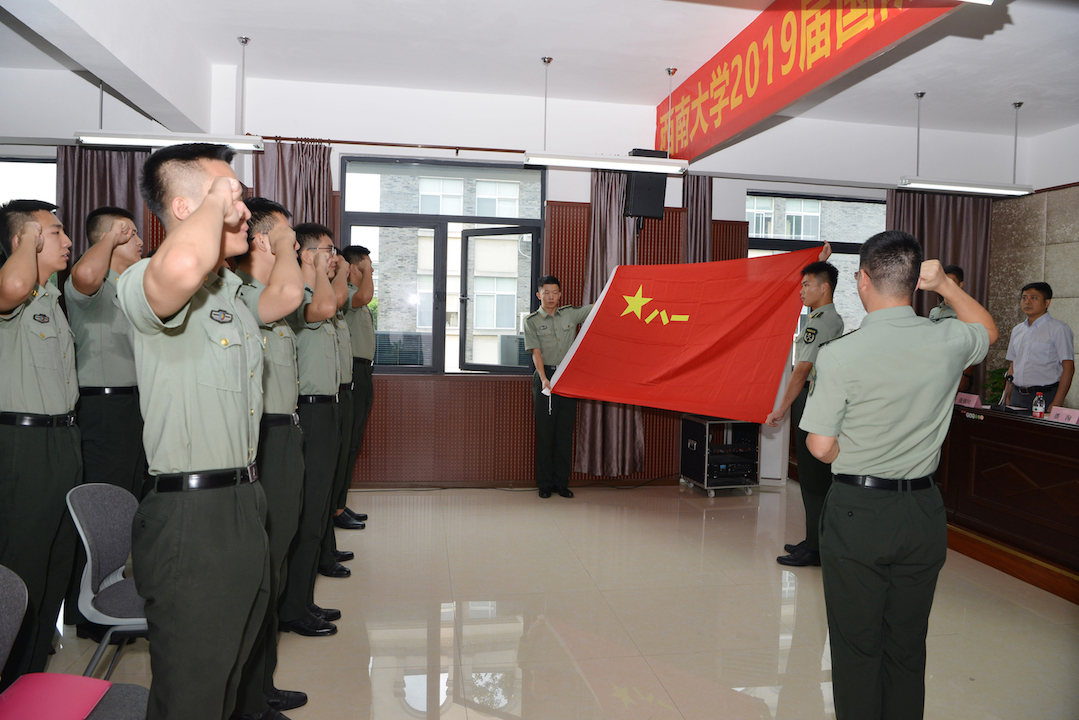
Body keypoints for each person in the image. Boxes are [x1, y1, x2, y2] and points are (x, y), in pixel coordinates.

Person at [800, 230, 998, 720]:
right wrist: (946, 287)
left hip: (859, 510)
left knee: (856, 644)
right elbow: (989, 331)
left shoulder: (841, 352)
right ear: (915, 282)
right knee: (908, 643)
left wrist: (855, 449)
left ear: (863, 280)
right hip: (922, 511)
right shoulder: (947, 339)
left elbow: (820, 447)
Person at [116, 143, 270, 720]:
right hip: (191, 516)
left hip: (243, 500)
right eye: (228, 193)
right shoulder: (145, 278)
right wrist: (216, 202)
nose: (243, 208)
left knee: (225, 683)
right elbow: (181, 267)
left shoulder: (229, 294)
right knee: (192, 697)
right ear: (185, 208)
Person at [233, 197, 310, 719]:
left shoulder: (265, 300)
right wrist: (287, 248)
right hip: (258, 439)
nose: (294, 244)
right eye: (285, 235)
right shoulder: (240, 297)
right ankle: (250, 698)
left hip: (282, 434)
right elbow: (290, 293)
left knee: (276, 562)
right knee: (260, 571)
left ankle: (262, 686)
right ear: (262, 240)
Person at [0, 200, 79, 690]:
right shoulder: (13, 290)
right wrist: (27, 237)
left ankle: (30, 679)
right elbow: (11, 286)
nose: (68, 241)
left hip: (63, 437)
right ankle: (8, 681)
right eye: (55, 232)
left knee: (57, 560)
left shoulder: (50, 297)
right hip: (23, 442)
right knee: (24, 562)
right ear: (22, 241)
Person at [62, 206, 147, 632]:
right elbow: (85, 275)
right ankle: (85, 612)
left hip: (134, 406)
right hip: (103, 408)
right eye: (131, 233)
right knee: (101, 509)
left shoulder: (133, 286)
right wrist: (110, 236)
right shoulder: (90, 284)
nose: (140, 241)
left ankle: (112, 597)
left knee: (127, 506)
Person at [278, 222, 345, 637]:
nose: (333, 257)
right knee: (306, 512)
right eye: (326, 250)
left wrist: (324, 268)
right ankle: (292, 608)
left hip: (328, 407)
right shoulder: (295, 296)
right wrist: (320, 270)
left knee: (318, 507)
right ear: (305, 254)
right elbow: (324, 308)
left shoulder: (313, 290)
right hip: (309, 410)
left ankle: (303, 600)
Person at [765, 254, 843, 567]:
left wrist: (781, 408)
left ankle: (816, 548)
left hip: (812, 401)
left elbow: (802, 371)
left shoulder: (819, 323)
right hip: (818, 399)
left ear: (824, 288)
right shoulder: (825, 318)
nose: (801, 290)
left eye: (807, 285)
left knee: (813, 479)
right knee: (814, 478)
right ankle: (814, 540)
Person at [523, 275, 593, 499]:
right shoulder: (531, 321)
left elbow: (598, 307)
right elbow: (536, 353)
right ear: (539, 295)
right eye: (546, 293)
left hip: (568, 378)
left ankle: (561, 483)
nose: (551, 297)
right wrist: (544, 379)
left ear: (560, 294)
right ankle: (544, 484)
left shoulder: (570, 314)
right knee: (545, 434)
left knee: (564, 434)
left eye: (555, 293)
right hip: (545, 377)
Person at [317, 246, 361, 580]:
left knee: (332, 473)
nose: (334, 259)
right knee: (319, 485)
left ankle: (326, 548)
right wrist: (342, 271)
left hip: (336, 394)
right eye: (328, 252)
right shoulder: (316, 299)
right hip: (313, 403)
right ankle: (321, 553)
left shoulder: (329, 299)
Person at [339, 245, 375, 526]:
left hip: (364, 371)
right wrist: (366, 272)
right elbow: (365, 296)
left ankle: (340, 504)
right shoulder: (347, 294)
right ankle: (337, 508)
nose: (371, 271)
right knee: (347, 442)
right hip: (351, 371)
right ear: (354, 267)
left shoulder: (356, 297)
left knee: (354, 442)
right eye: (367, 265)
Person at [1004, 282, 1074, 412]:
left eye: (1033, 298)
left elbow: (1068, 368)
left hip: (1044, 396)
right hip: (1016, 396)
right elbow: (1014, 364)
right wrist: (1006, 395)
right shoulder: (1017, 330)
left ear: (1047, 303)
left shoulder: (1059, 329)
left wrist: (1057, 402)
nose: (1027, 302)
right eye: (1024, 298)